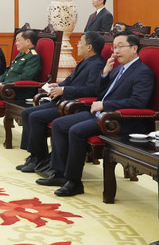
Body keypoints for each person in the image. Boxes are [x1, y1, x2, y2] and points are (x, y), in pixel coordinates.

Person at [37, 32, 155, 196]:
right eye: (114, 47)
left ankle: (74, 182)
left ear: (134, 48)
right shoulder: (118, 68)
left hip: (118, 119)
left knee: (75, 131)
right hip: (101, 113)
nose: (116, 51)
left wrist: (105, 104)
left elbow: (138, 102)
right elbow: (99, 90)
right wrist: (105, 74)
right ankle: (59, 172)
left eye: (120, 46)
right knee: (59, 124)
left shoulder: (142, 72)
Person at [16, 31, 105, 174]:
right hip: (63, 101)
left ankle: (39, 157)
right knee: (27, 112)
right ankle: (35, 155)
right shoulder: (85, 61)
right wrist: (58, 86)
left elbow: (91, 90)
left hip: (73, 106)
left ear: (89, 47)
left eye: (81, 42)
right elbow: (70, 80)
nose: (78, 44)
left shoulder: (97, 64)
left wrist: (64, 90)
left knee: (35, 117)